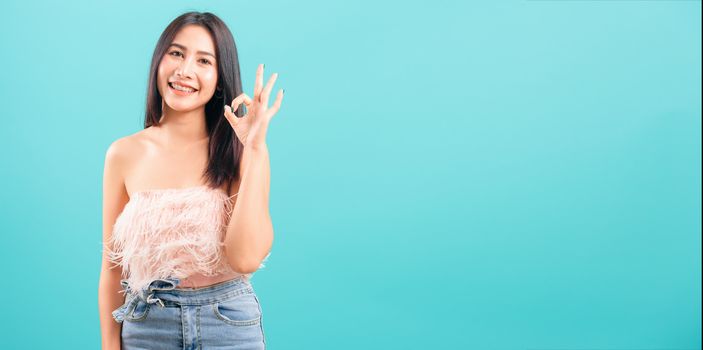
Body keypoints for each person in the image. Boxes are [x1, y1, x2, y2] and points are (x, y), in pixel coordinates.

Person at [97, 11, 283, 350]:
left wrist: (255, 151)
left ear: (219, 79)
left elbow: (246, 259)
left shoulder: (241, 151)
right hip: (146, 326)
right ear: (159, 60)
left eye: (203, 61)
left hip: (228, 325)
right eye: (176, 53)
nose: (185, 71)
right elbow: (112, 268)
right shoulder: (123, 153)